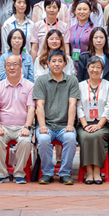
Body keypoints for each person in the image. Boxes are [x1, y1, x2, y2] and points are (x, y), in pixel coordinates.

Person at [34, 48, 81, 184]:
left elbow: (72, 104)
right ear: (48, 63)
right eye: (53, 61)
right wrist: (42, 126)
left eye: (60, 61)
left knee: (70, 138)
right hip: (47, 125)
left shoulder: (72, 81)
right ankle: (47, 172)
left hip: (64, 125)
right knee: (43, 139)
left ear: (65, 63)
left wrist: (70, 125)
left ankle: (65, 173)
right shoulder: (41, 81)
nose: (57, 64)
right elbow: (39, 105)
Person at [0, 54, 36, 184]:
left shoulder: (29, 86)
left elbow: (31, 108)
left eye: (15, 64)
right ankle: (1, 173)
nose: (12, 67)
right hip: (4, 126)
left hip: (22, 126)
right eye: (9, 65)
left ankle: (19, 173)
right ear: (4, 68)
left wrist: (27, 127)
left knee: (25, 142)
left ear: (21, 67)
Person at [76, 55, 109, 184]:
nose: (95, 70)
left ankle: (97, 170)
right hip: (84, 124)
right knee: (86, 136)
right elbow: (78, 107)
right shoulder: (80, 86)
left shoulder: (108, 86)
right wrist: (85, 125)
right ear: (87, 69)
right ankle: (89, 171)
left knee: (97, 135)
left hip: (103, 124)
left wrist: (99, 125)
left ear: (102, 70)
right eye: (92, 67)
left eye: (98, 67)